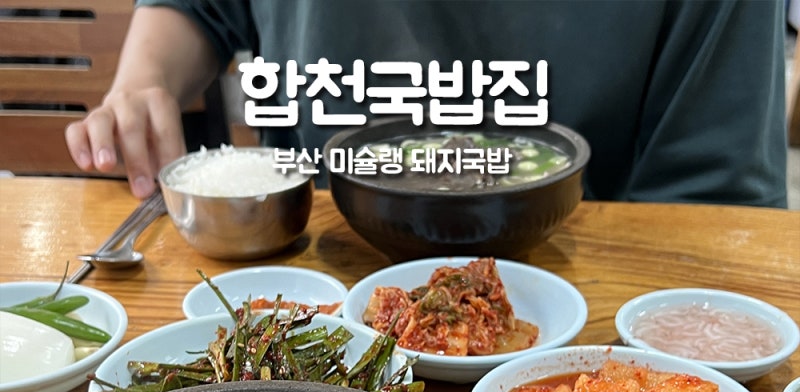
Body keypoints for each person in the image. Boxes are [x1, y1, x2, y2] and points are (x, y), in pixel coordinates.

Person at [65, 0, 789, 207]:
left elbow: (715, 208)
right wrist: (141, 82)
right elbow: (201, 7)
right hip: (315, 258)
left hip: (582, 279)